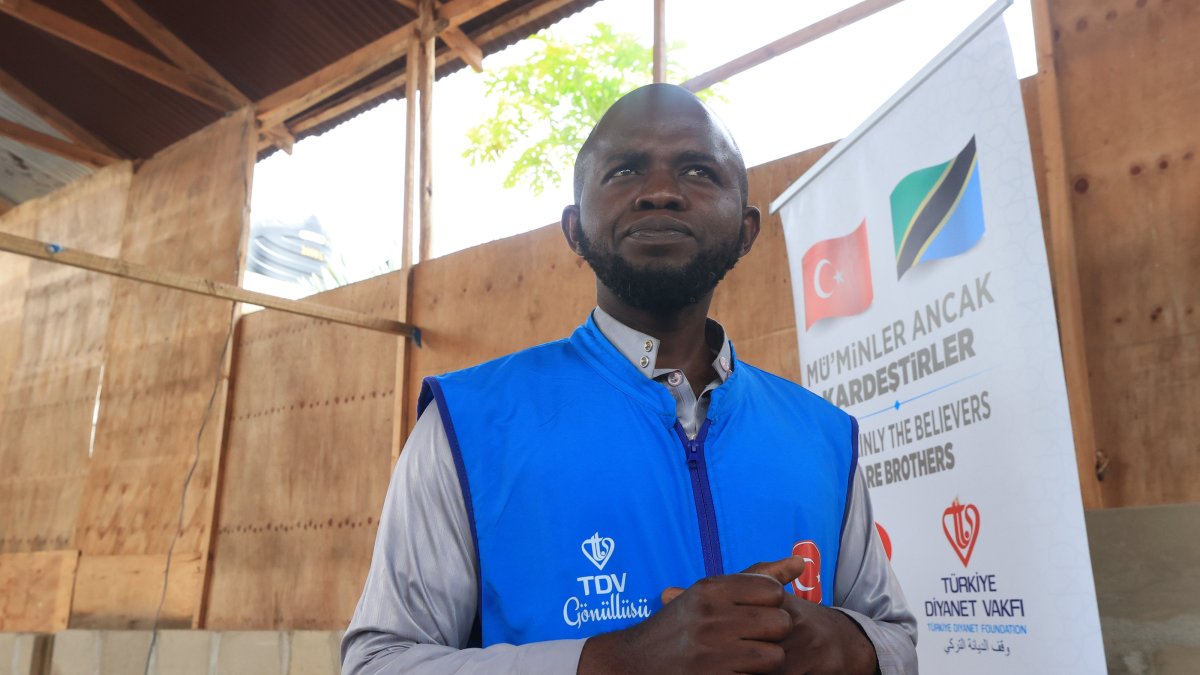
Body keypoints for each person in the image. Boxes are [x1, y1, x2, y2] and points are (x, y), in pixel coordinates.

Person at [341, 83, 917, 674]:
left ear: (746, 231)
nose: (660, 192)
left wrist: (843, 642)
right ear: (574, 229)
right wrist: (617, 662)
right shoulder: (468, 425)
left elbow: (895, 635)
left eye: (698, 171)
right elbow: (378, 662)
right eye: (624, 171)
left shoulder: (823, 434)